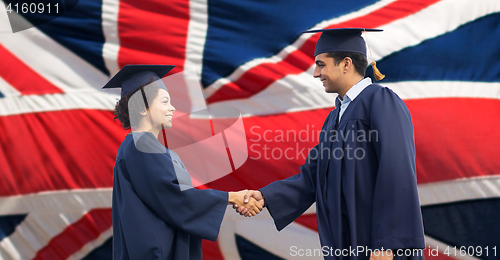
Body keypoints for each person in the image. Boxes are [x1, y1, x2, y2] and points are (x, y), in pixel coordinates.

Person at [238, 29, 426, 260]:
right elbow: (312, 176)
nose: (316, 73)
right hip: (344, 243)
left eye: (321, 64)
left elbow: (397, 171)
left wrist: (388, 243)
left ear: (345, 64)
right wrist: (266, 196)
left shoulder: (380, 101)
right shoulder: (335, 117)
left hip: (377, 245)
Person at [103, 65, 262, 260]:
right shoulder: (140, 145)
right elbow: (173, 195)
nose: (172, 108)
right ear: (142, 108)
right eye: (164, 101)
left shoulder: (151, 148)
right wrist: (231, 197)